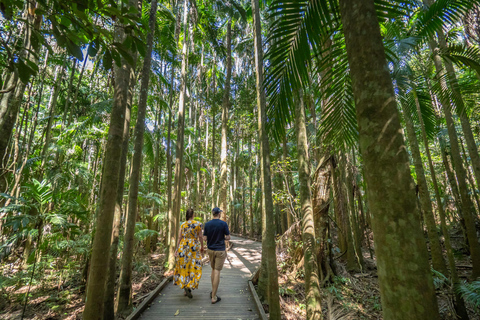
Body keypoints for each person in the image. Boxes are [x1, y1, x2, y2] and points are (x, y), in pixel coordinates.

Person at [173, 208, 204, 298]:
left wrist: (177, 248)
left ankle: (185, 287)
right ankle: (191, 284)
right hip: (194, 247)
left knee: (184, 266)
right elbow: (201, 237)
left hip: (183, 247)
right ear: (193, 215)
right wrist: (202, 247)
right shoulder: (198, 224)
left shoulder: (183, 225)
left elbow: (179, 237)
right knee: (194, 265)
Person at [203, 207, 230, 304]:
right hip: (220, 250)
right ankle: (214, 296)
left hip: (210, 250)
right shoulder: (223, 224)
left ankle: (213, 290)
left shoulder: (207, 224)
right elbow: (228, 237)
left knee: (213, 269)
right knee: (217, 271)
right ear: (219, 214)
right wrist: (223, 237)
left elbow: (205, 238)